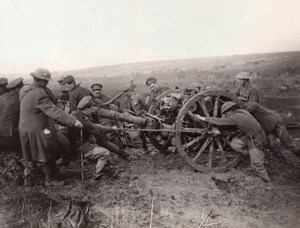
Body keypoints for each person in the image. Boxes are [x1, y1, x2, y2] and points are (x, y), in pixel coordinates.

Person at [19, 68, 83, 186]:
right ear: (42, 81)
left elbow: (54, 101)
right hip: (37, 128)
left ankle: (30, 180)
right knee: (49, 149)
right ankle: (50, 180)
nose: (47, 83)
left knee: (31, 155)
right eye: (46, 81)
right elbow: (52, 110)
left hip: (25, 127)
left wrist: (65, 109)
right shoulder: (39, 93)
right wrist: (73, 120)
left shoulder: (28, 89)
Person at [195, 101, 270, 182]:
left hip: (257, 139)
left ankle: (266, 180)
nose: (225, 116)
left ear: (229, 111)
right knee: (234, 143)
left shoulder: (235, 117)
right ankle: (252, 154)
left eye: (225, 113)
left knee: (257, 163)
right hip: (249, 136)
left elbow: (220, 122)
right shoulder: (238, 113)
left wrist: (203, 118)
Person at [71, 96, 130, 161]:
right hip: (80, 145)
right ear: (86, 109)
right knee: (104, 151)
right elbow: (97, 129)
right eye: (91, 109)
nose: (92, 111)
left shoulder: (77, 113)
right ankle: (101, 169)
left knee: (101, 138)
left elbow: (94, 126)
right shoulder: (82, 120)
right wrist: (112, 129)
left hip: (83, 140)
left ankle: (123, 154)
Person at [0, 78, 24, 184]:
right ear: (18, 88)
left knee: (6, 156)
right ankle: (21, 174)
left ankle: (11, 174)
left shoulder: (1, 98)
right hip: (14, 134)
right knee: (21, 155)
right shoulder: (21, 99)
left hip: (2, 134)